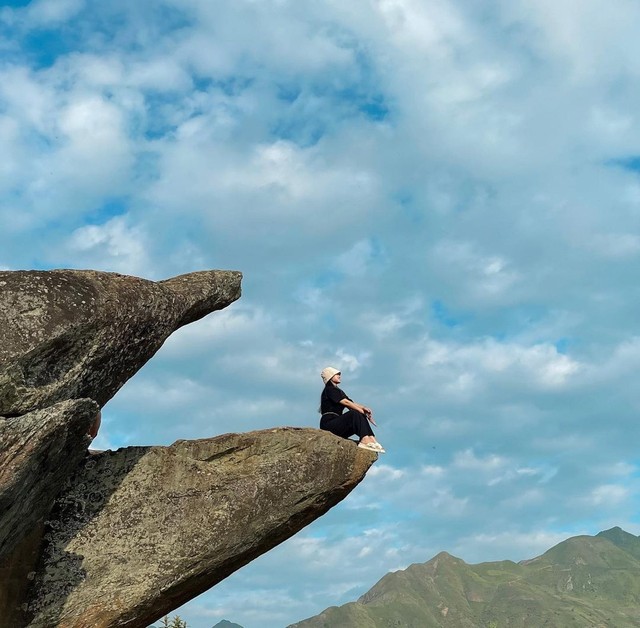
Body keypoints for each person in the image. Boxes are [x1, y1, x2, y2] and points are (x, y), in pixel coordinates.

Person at [319, 367, 385, 453]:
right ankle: (364, 439)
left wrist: (364, 409)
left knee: (357, 412)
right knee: (354, 413)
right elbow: (346, 402)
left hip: (337, 424)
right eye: (336, 374)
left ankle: (371, 438)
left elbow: (351, 403)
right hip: (329, 424)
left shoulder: (338, 391)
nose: (339, 376)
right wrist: (360, 410)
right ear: (330, 376)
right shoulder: (330, 390)